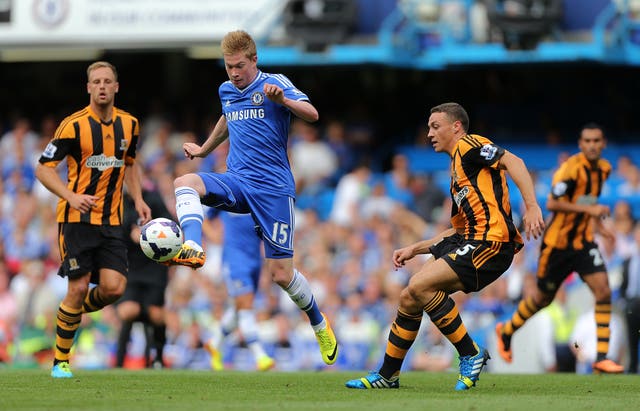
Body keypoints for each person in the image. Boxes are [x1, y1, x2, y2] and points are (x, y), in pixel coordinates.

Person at [164, 30, 338, 365]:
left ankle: (318, 322)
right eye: (229, 66)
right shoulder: (227, 90)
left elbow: (313, 114)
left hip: (273, 190)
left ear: (254, 60)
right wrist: (203, 150)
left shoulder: (275, 83)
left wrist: (282, 101)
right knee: (184, 182)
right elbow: (226, 118)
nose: (234, 73)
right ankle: (194, 246)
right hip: (238, 180)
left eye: (239, 65)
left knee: (281, 275)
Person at [345, 102, 545, 390]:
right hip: (472, 239)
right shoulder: (457, 172)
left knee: (420, 285)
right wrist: (416, 248)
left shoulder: (469, 145)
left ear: (456, 127)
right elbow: (458, 230)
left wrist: (532, 206)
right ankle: (388, 375)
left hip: (491, 242)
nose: (429, 133)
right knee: (409, 297)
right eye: (428, 127)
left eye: (435, 126)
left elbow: (514, 162)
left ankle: (470, 353)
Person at [35, 61, 151, 378]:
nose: (101, 86)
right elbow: (43, 168)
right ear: (88, 88)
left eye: (107, 81)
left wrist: (138, 198)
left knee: (114, 288)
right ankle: (60, 362)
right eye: (96, 81)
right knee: (79, 286)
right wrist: (70, 196)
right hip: (76, 219)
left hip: (112, 221)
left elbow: (130, 163)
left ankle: (68, 313)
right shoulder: (72, 126)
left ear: (116, 87)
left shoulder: (130, 125)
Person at [495, 123, 624, 374]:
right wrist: (591, 212)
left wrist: (598, 226)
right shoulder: (570, 170)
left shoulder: (604, 170)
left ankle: (601, 357)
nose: (592, 145)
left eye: (597, 141)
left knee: (604, 290)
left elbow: (587, 200)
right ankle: (507, 331)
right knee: (542, 299)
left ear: (603, 143)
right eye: (587, 141)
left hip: (584, 243)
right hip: (557, 247)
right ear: (580, 144)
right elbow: (553, 203)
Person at [204, 210, 275, 371]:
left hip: (255, 260)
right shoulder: (227, 194)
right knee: (246, 305)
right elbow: (205, 217)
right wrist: (213, 234)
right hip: (234, 259)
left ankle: (215, 343)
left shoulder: (254, 195)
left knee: (240, 307)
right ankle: (260, 355)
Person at [115, 175, 171, 369]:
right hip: (130, 268)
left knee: (156, 315)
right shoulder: (119, 203)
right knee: (128, 311)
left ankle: (158, 359)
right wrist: (128, 235)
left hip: (154, 267)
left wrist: (148, 235)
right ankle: (119, 363)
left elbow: (171, 227)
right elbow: (112, 233)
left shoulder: (154, 199)